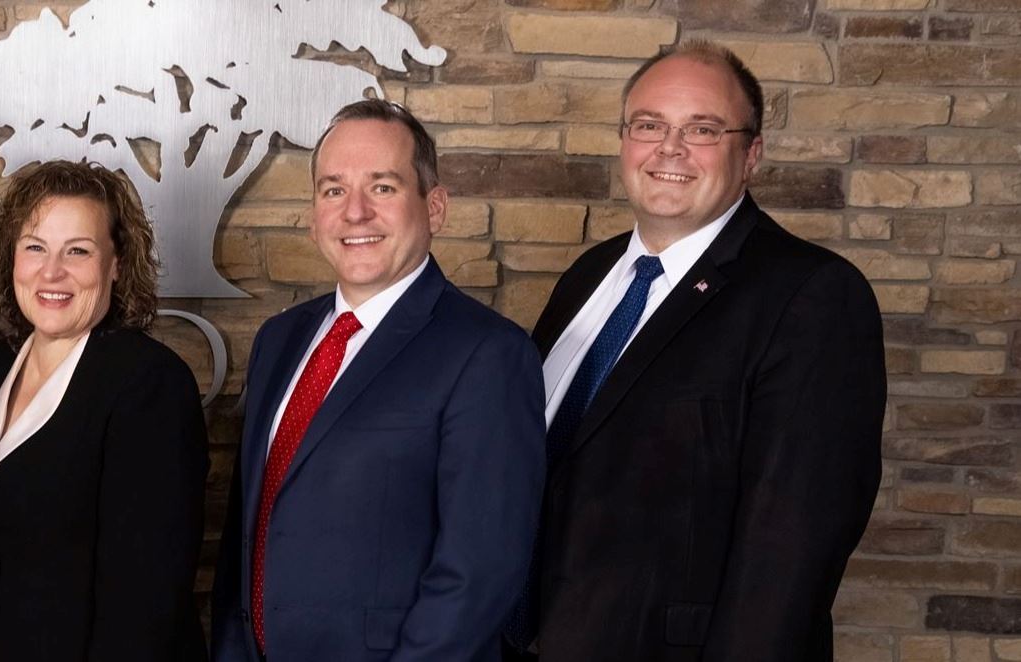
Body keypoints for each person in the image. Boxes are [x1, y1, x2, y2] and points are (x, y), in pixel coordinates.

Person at [508, 41, 885, 662]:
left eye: (703, 129)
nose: (670, 148)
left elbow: (791, 550)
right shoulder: (590, 275)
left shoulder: (813, 296)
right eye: (650, 125)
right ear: (626, 139)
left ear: (751, 155)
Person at [209, 99, 546, 662]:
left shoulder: (488, 354)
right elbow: (248, 531)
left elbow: (478, 575)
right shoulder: (280, 339)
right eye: (333, 189)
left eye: (383, 187)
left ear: (434, 207)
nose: (355, 212)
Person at [0, 162, 208, 662]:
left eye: (78, 251)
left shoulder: (150, 384)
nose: (52, 272)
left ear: (116, 263)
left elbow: (146, 604)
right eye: (35, 247)